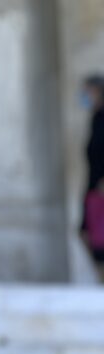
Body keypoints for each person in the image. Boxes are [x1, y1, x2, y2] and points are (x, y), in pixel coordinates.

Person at [80, 74, 104, 280]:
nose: (84, 95)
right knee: (86, 233)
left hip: (100, 187)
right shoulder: (96, 118)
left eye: (87, 91)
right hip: (93, 186)